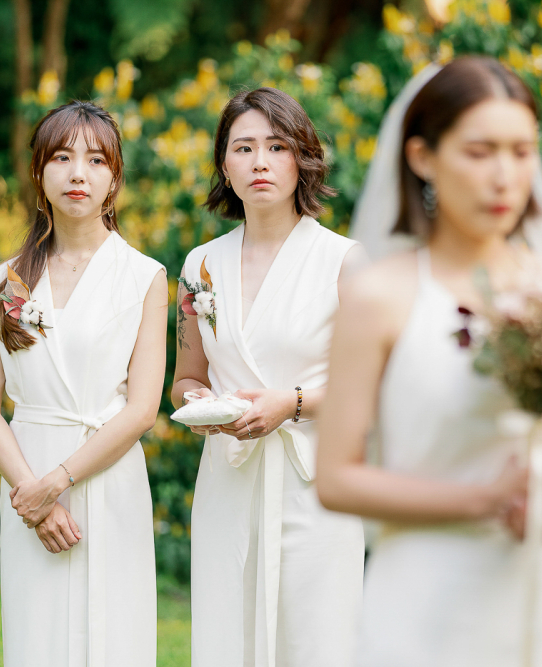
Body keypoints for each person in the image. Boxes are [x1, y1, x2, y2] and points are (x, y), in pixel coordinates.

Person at [316, 57, 542, 667]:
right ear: (423, 157)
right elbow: (337, 479)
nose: (505, 176)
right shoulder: (379, 298)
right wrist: (483, 500)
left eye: (522, 151)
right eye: (480, 152)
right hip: (426, 604)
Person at [171, 87, 366, 667]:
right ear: (224, 165)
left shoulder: (344, 261)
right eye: (244, 147)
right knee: (229, 635)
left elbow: (374, 387)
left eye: (277, 146)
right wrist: (201, 402)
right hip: (228, 480)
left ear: (302, 158)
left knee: (315, 641)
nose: (260, 162)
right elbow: (184, 379)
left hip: (316, 485)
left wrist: (294, 401)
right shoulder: (199, 266)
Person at [0, 100, 167, 666]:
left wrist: (55, 483)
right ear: (39, 172)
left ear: (114, 179)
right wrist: (30, 494)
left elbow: (141, 410)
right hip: (26, 476)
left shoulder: (144, 277)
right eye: (62, 157)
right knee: (38, 637)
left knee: (113, 637)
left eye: (95, 160)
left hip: (106, 475)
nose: (78, 173)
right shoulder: (6, 280)